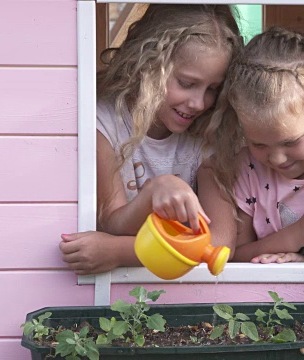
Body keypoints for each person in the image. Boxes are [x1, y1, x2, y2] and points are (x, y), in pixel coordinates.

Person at [59, 5, 243, 275]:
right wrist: (155, 192)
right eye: (187, 83)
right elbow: (113, 222)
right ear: (148, 66)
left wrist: (118, 252)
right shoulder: (105, 122)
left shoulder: (208, 133)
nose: (198, 103)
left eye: (212, 89)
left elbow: (222, 242)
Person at [198, 27, 304, 264]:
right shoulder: (247, 170)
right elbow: (236, 255)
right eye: (259, 144)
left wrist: (303, 259)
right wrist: (296, 235)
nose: (277, 159)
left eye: (290, 142)